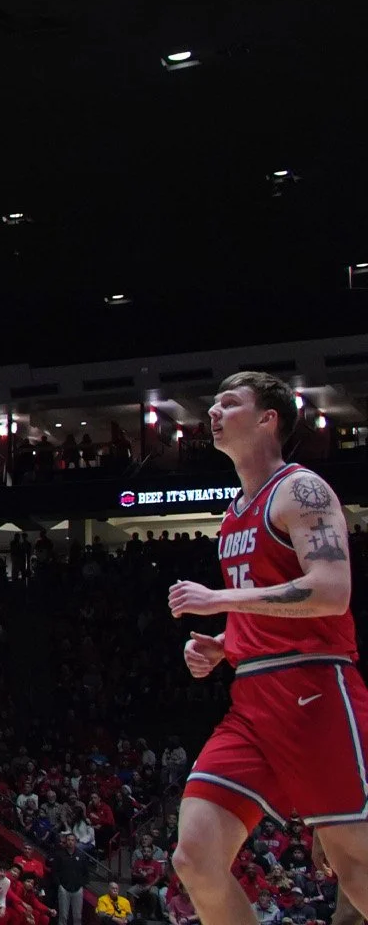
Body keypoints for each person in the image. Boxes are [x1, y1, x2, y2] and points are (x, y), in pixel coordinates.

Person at [168, 372, 368, 924]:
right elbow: (270, 604)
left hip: (314, 691)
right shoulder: (236, 510)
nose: (213, 411)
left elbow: (331, 591)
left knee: (355, 869)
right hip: (252, 699)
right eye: (213, 403)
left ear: (267, 419)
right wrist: (226, 643)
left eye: (229, 403)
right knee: (195, 857)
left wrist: (218, 599)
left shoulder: (301, 490)